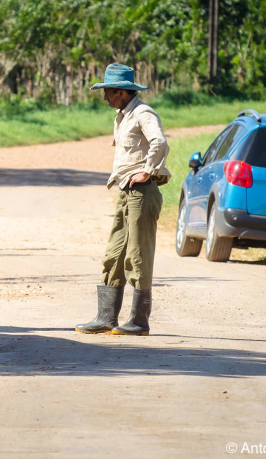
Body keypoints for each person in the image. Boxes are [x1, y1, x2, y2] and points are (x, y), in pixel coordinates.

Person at [76, 64, 170, 336]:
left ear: (122, 92)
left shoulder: (143, 113)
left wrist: (147, 170)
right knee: (114, 254)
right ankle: (106, 317)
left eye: (108, 93)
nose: (105, 98)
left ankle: (139, 322)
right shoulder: (122, 115)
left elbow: (160, 143)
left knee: (137, 255)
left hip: (142, 191)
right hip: (125, 190)